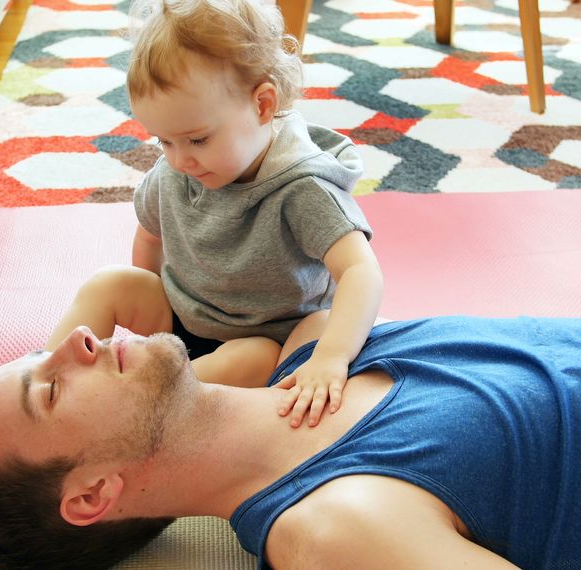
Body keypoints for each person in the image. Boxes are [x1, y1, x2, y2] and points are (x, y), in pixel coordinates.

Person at [0, 310, 581, 570]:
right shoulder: (334, 530)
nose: (75, 341)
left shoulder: (324, 346)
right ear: (93, 495)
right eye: (49, 387)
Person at [50, 0, 383, 427]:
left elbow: (361, 271)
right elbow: (151, 236)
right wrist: (157, 339)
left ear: (263, 105)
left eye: (197, 140)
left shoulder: (303, 189)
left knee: (254, 357)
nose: (178, 159)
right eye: (163, 141)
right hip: (184, 318)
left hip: (266, 337)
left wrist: (332, 357)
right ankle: (48, 378)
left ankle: (129, 407)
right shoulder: (176, 168)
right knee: (109, 284)